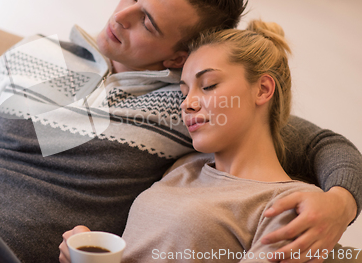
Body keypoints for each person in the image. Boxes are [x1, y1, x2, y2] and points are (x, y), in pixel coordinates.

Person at [0, 0, 360, 263]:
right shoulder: (38, 54)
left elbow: (321, 143)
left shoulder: (187, 106)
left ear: (178, 56)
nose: (119, 15)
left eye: (148, 22)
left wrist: (341, 202)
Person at [59, 21, 362, 263]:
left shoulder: (291, 205)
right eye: (184, 92)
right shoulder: (184, 167)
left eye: (208, 85)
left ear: (263, 89)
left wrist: (342, 200)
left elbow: (327, 145)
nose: (187, 104)